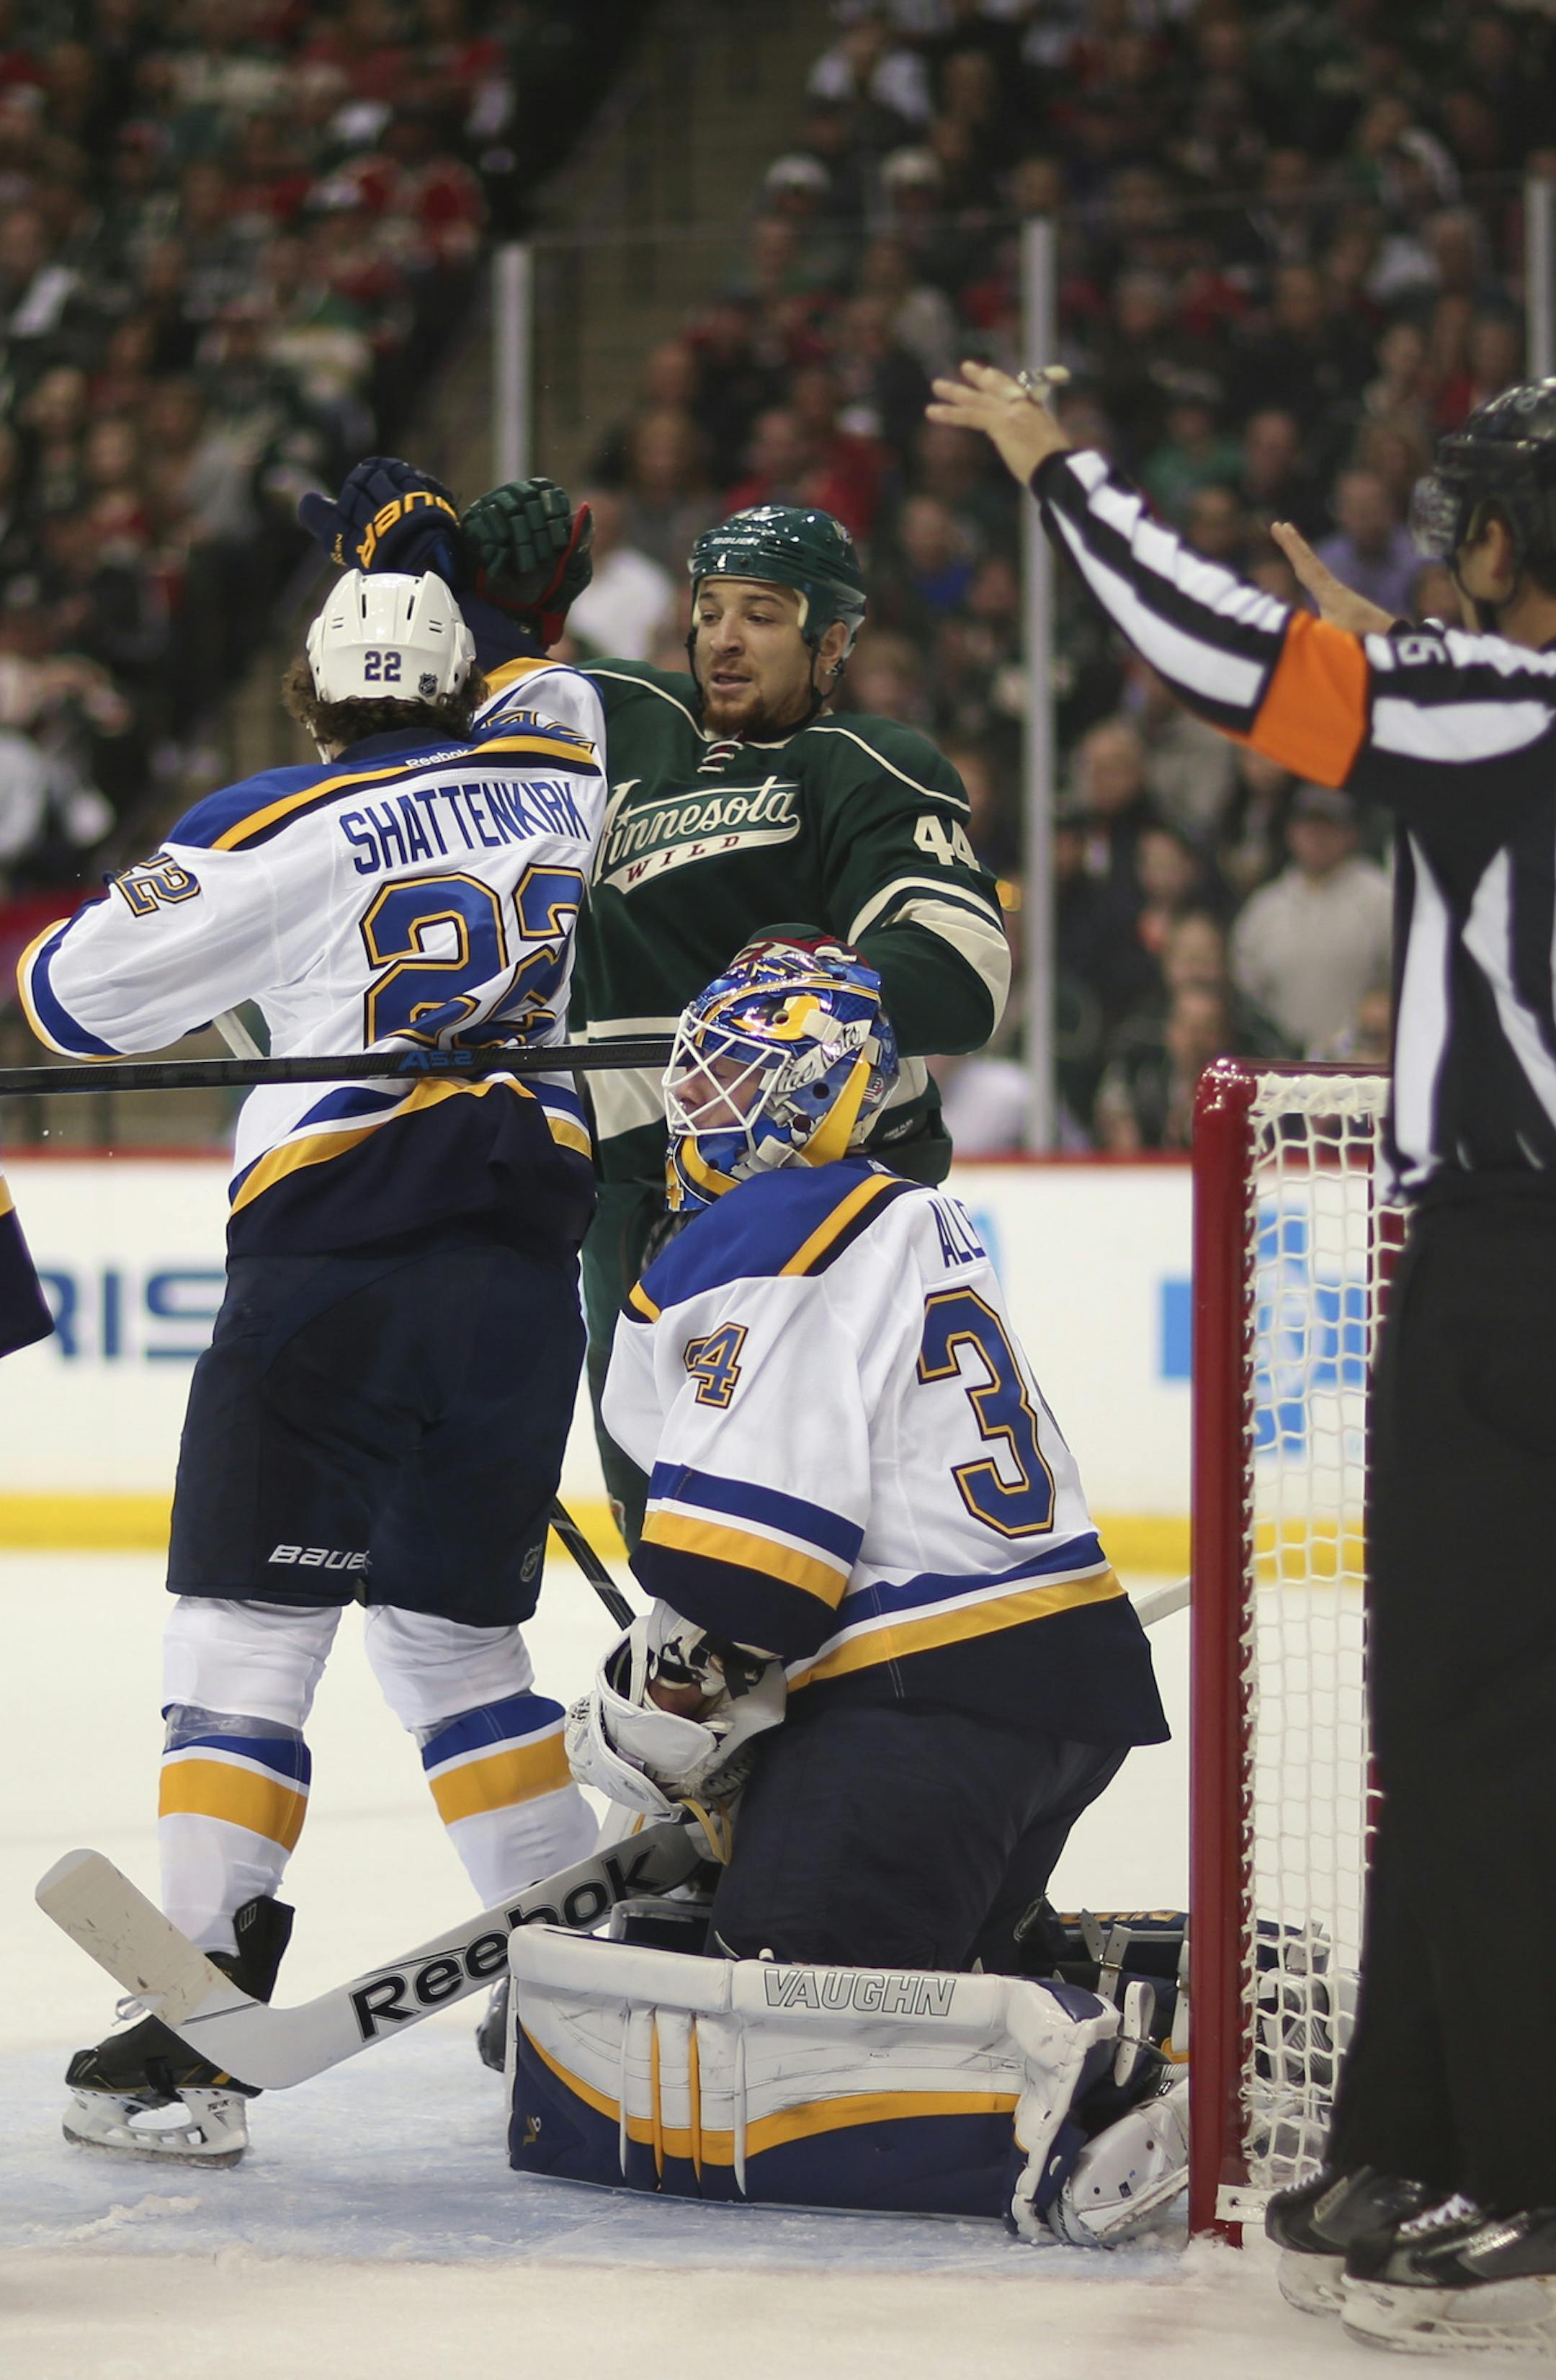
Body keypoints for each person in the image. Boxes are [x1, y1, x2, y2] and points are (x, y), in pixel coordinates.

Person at [928, 357, 1556, 2358]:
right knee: (1467, 1725)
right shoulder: (1501, 718)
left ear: (1510, 542)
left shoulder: (1499, 709)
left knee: (1469, 1729)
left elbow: (1219, 657)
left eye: (1467, 527)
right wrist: (1420, 673)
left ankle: (1521, 2160)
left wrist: (1062, 472)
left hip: (1514, 1270)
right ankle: (1414, 2126)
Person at [21, 569, 605, 2166]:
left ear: (311, 685)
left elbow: (65, 1001)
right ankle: (584, 1992)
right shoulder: (564, 772)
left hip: (335, 1273)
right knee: (452, 1647)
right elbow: (558, 696)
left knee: (244, 1637)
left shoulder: (278, 816)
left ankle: (198, 2015)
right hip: (518, 1287)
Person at [540, 945, 1179, 2245]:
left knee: (779, 2006)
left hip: (927, 1706)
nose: (695, 1110)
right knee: (881, 1951)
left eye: (732, 1079)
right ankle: (1081, 1982)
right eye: (693, 1076)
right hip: (1051, 1686)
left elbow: (754, 1577)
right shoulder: (902, 1212)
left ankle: (1097, 2093)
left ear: (819, 1092)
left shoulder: (763, 1231)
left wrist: (656, 1717)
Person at [300, 465, 1011, 1548]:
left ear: (835, 643)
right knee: (665, 1528)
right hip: (623, 1193)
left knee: (804, 1527)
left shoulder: (864, 762)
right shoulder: (617, 717)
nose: (726, 638)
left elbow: (961, 972)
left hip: (803, 1198)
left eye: (764, 616)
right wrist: (425, 582)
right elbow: (423, 709)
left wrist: (821, 1006)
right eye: (712, 611)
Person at [1228, 783, 1391, 1054]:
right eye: (1309, 827)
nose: (1317, 837)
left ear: (1350, 834)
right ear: (1291, 833)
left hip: (1362, 1064)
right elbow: (1247, 992)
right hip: (1281, 1063)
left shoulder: (1382, 899)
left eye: (1329, 827)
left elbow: (1398, 985)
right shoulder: (1265, 907)